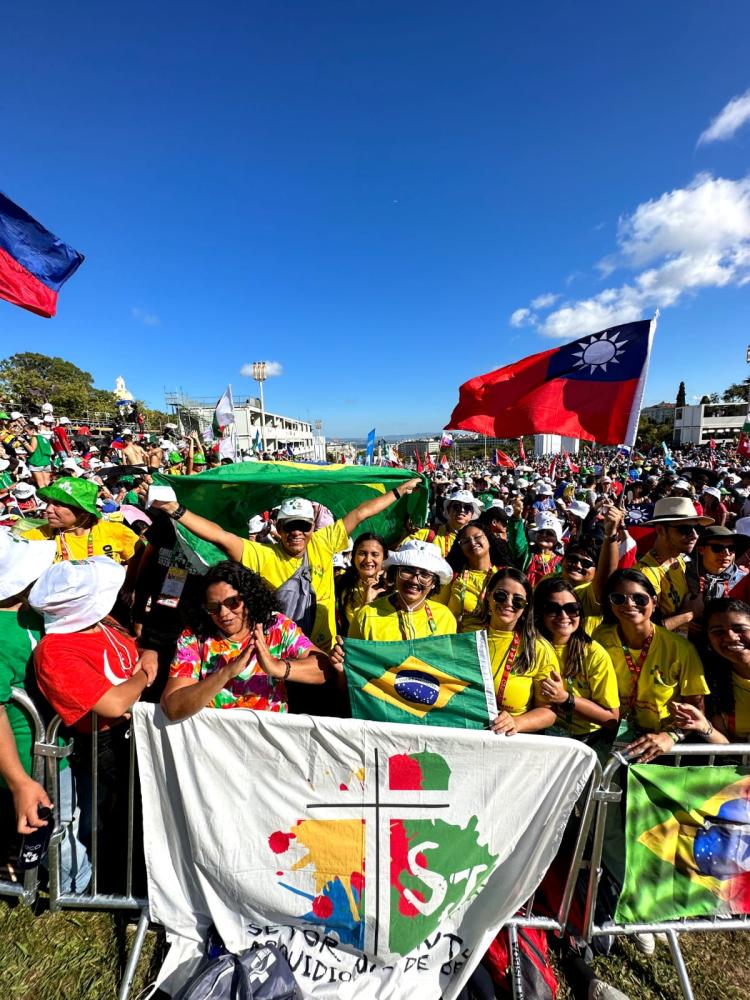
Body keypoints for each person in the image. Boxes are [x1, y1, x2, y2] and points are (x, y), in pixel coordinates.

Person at [149, 479, 422, 651]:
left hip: (321, 652)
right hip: (280, 653)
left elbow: (361, 512)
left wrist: (399, 491)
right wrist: (175, 510)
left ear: (313, 527)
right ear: (277, 528)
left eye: (303, 526)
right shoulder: (262, 555)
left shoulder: (323, 543)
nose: (297, 533)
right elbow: (220, 536)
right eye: (289, 526)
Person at [30, 558, 157, 891]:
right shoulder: (55, 651)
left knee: (136, 812)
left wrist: (147, 653)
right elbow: (112, 703)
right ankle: (122, 885)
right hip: (107, 744)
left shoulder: (103, 622)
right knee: (124, 816)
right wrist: (144, 676)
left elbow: (130, 648)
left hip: (134, 731)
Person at [161, 562, 330, 721]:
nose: (224, 613)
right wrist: (226, 673)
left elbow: (324, 667)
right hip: (213, 740)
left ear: (249, 598)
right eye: (213, 607)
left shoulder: (275, 626)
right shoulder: (195, 636)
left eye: (232, 602)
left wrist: (276, 667)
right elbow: (173, 708)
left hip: (268, 738)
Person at [594, 569, 709, 763]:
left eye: (639, 599)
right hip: (611, 739)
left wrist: (671, 736)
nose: (629, 604)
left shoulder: (681, 649)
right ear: (610, 604)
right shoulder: (599, 640)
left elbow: (696, 710)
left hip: (661, 747)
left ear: (654, 603)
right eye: (619, 598)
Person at [533, 577, 619, 742]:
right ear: (539, 612)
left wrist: (565, 698)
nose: (563, 615)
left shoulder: (594, 653)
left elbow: (611, 719)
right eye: (552, 608)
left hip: (584, 740)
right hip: (538, 734)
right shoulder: (530, 647)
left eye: (571, 609)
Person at [485, 567, 557, 736]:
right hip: (465, 734)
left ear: (525, 608)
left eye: (518, 601)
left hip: (511, 741)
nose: (508, 603)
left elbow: (549, 712)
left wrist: (517, 723)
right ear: (488, 595)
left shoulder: (538, 648)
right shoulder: (466, 633)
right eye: (501, 595)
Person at [671, 598, 750, 743]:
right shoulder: (712, 679)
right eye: (718, 632)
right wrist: (705, 727)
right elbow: (727, 748)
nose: (731, 637)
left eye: (740, 629)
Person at [345, 539, 456, 641]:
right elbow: (354, 659)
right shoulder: (366, 615)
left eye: (425, 575)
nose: (414, 581)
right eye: (407, 571)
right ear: (395, 574)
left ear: (433, 583)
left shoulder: (445, 617)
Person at [22, 477, 139, 565]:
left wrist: (127, 587)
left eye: (58, 504)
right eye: (48, 502)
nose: (48, 509)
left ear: (83, 511)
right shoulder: (37, 538)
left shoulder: (116, 532)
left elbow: (141, 565)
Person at [637, 496, 713, 631]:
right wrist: (689, 614)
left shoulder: (678, 560)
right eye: (685, 529)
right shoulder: (645, 574)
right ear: (660, 530)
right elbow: (643, 631)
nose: (695, 535)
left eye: (697, 529)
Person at [684, 525, 749, 638]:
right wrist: (682, 622)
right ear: (701, 550)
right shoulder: (683, 573)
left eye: (731, 548)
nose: (726, 553)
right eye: (717, 548)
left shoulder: (743, 580)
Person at [443, 521, 508, 632]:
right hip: (460, 643)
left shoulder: (505, 576)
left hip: (494, 642)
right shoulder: (451, 576)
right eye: (466, 541)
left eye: (477, 537)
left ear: (489, 540)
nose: (472, 543)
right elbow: (437, 610)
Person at [334, 533, 389, 636]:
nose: (368, 560)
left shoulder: (391, 588)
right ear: (353, 556)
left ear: (384, 558)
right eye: (362, 553)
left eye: (375, 554)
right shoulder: (342, 582)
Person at [407, 488, 482, 557]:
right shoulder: (428, 533)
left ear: (472, 513)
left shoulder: (479, 540)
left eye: (467, 507)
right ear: (448, 510)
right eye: (457, 506)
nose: (462, 510)